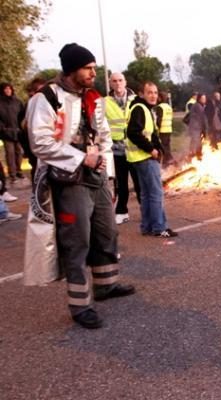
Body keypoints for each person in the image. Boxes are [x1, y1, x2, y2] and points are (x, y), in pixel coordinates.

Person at [27, 43, 135, 329]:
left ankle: (106, 285)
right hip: (69, 177)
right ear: (73, 69)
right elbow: (40, 142)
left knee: (106, 231)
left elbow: (105, 137)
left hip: (96, 175)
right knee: (78, 240)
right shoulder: (47, 97)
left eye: (94, 68)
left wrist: (108, 173)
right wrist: (81, 158)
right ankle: (80, 305)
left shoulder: (94, 97)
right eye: (88, 68)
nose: (93, 73)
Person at [126, 81, 178, 238]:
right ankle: (159, 227)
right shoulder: (140, 109)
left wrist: (159, 149)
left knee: (146, 194)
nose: (154, 95)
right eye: (149, 92)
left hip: (139, 158)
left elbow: (150, 133)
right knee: (156, 193)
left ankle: (147, 226)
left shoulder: (143, 109)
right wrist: (151, 149)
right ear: (141, 94)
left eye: (155, 92)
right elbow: (133, 133)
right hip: (145, 157)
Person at [105, 72, 140, 225]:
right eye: (114, 81)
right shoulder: (104, 102)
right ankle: (122, 211)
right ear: (110, 84)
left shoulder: (136, 99)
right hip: (116, 150)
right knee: (121, 183)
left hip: (135, 149)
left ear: (125, 82)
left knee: (139, 182)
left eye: (120, 80)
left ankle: (145, 210)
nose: (118, 83)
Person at [0, 82, 26, 183]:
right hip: (6, 133)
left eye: (9, 89)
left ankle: (19, 172)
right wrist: (3, 129)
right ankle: (12, 175)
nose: (8, 91)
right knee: (10, 154)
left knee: (19, 153)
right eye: (6, 89)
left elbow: (23, 115)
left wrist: (22, 127)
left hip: (18, 132)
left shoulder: (18, 101)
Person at [155, 91, 175, 167]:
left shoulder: (160, 107)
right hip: (169, 129)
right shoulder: (169, 107)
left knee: (162, 147)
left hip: (162, 130)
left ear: (160, 98)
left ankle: (167, 161)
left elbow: (159, 120)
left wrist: (157, 129)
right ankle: (168, 161)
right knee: (167, 146)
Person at [188, 93, 208, 159]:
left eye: (205, 98)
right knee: (197, 144)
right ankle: (196, 158)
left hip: (195, 128)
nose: (204, 100)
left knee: (195, 143)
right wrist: (204, 131)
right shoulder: (198, 107)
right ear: (199, 99)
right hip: (196, 129)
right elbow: (202, 120)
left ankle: (194, 157)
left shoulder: (197, 105)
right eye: (203, 98)